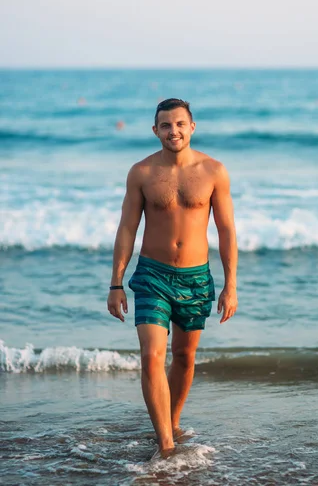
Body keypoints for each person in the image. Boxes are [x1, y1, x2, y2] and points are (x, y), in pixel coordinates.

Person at [107, 98, 238, 458]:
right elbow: (127, 228)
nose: (173, 131)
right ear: (155, 130)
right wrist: (116, 283)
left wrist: (231, 285)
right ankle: (165, 444)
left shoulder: (214, 171)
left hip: (197, 277)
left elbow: (226, 231)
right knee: (151, 356)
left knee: (183, 356)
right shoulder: (142, 173)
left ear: (192, 127)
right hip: (152, 274)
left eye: (179, 124)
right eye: (165, 125)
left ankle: (172, 422)